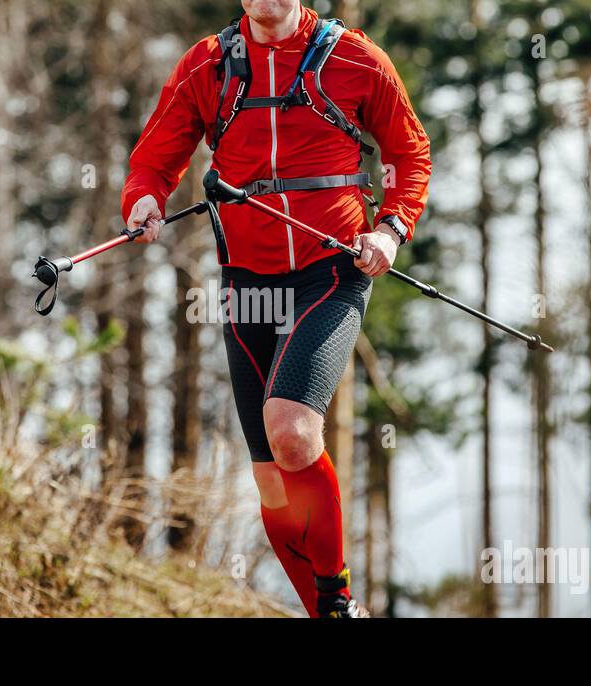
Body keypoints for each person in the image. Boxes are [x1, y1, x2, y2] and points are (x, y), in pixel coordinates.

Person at [120, 0, 430, 617]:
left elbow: (408, 155)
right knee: (271, 479)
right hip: (247, 281)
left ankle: (336, 595)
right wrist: (144, 199)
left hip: (330, 270)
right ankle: (326, 614)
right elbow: (156, 157)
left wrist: (392, 229)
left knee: (291, 432)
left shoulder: (358, 59)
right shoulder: (206, 66)